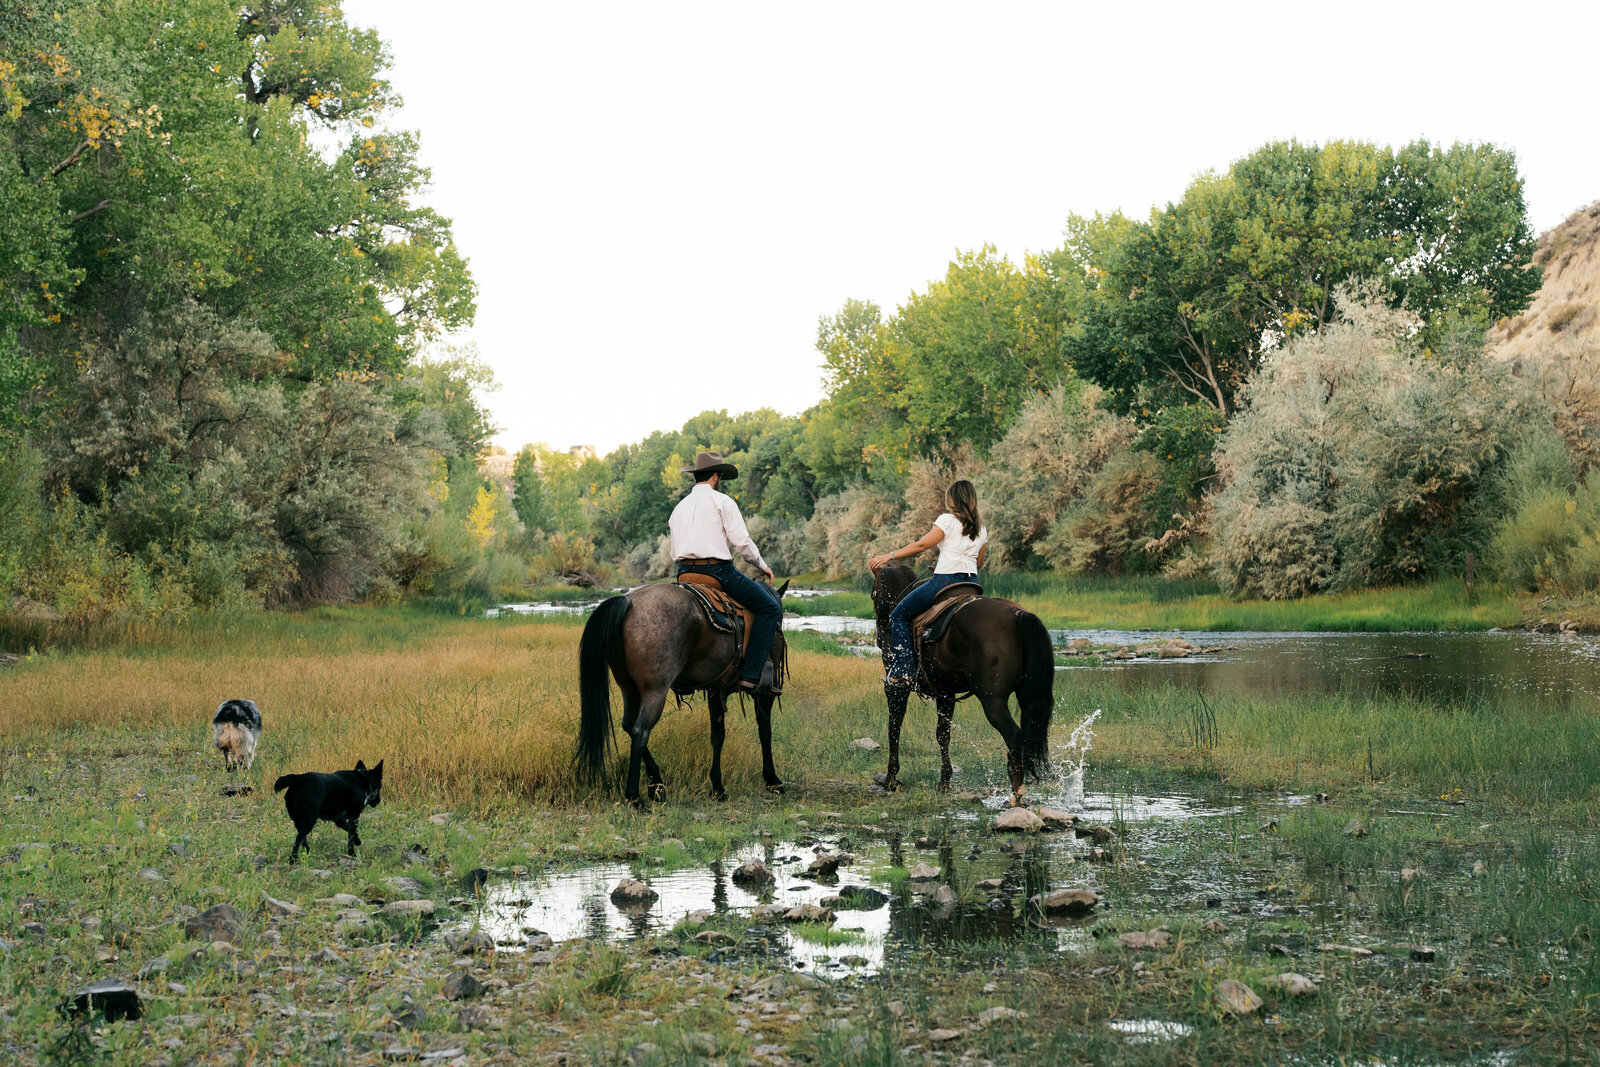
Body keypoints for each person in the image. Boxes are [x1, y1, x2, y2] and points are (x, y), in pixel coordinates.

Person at [670, 451, 783, 693]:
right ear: (715, 476)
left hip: (684, 576)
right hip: (717, 572)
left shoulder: (678, 508)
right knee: (769, 607)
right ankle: (752, 675)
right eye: (720, 476)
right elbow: (741, 542)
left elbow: (673, 552)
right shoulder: (722, 502)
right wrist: (761, 565)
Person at [868, 479, 988, 687]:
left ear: (953, 499)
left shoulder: (947, 520)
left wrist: (891, 555)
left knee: (898, 615)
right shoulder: (981, 527)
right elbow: (979, 562)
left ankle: (904, 669)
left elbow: (922, 544)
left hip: (945, 582)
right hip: (972, 584)